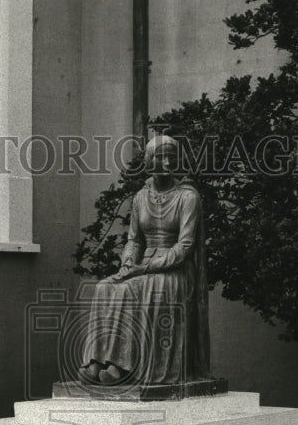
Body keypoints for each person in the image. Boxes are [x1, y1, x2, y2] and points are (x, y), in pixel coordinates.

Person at [80, 135, 211, 386]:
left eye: (171, 156)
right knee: (104, 287)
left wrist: (144, 268)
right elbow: (135, 240)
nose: (167, 162)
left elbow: (184, 247)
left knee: (131, 289)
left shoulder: (188, 197)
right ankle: (97, 360)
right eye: (161, 157)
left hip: (174, 271)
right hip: (142, 266)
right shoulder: (141, 197)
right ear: (150, 161)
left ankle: (122, 366)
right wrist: (128, 262)